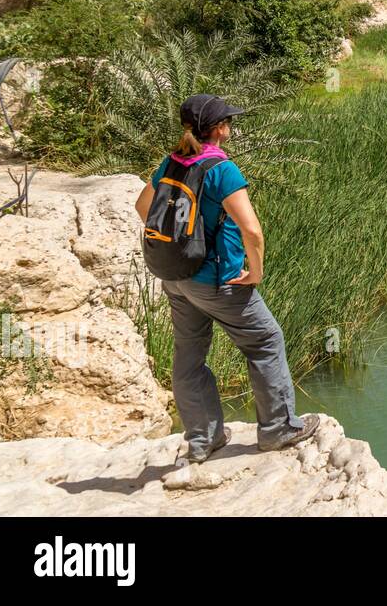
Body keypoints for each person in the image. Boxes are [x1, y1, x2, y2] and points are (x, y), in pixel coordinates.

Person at [134, 93, 317, 462]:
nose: (231, 126)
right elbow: (253, 231)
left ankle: (203, 439)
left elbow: (143, 207)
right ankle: (278, 429)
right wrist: (256, 272)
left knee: (188, 356)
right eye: (228, 121)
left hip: (175, 277)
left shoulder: (171, 162)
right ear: (219, 129)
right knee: (266, 341)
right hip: (219, 281)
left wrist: (180, 248)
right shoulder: (221, 169)